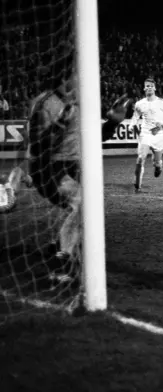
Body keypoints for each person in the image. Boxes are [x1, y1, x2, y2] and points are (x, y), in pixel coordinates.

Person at [28, 75, 130, 278]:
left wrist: (113, 122)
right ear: (65, 80)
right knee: (83, 203)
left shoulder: (81, 106)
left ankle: (60, 244)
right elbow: (37, 145)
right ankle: (61, 261)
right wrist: (59, 125)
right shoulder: (46, 103)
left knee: (87, 207)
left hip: (71, 166)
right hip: (48, 168)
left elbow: (92, 136)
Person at [130, 78, 163, 192]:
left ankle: (158, 166)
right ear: (144, 88)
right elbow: (135, 117)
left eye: (151, 86)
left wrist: (161, 125)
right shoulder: (140, 104)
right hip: (145, 134)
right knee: (141, 158)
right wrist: (132, 126)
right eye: (147, 86)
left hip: (159, 135)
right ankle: (137, 184)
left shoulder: (162, 102)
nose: (149, 87)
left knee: (157, 163)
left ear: (154, 88)